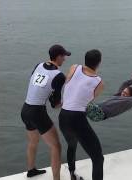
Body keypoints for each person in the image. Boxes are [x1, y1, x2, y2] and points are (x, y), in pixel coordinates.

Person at [21, 44, 70, 180]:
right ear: (58, 57)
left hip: (25, 109)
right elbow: (55, 105)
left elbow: (36, 85)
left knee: (33, 141)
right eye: (64, 56)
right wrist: (69, 102)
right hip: (37, 112)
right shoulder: (59, 76)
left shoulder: (39, 65)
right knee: (56, 146)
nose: (65, 59)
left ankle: (31, 170)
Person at [59, 49, 104, 180]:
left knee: (72, 145)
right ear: (99, 63)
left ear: (85, 59)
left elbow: (68, 83)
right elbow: (88, 100)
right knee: (98, 158)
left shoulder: (74, 67)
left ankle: (72, 174)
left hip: (63, 116)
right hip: (77, 119)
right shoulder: (99, 82)